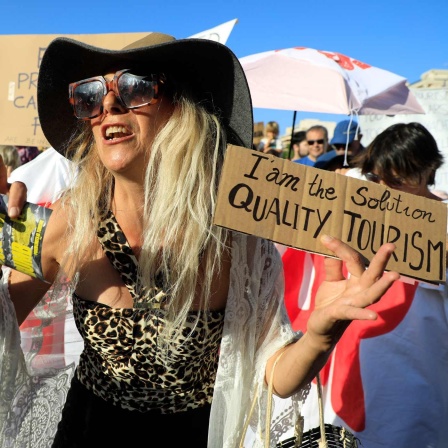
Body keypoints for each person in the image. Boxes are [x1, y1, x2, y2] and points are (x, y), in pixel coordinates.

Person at [0, 32, 399, 448]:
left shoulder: (234, 235)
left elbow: (276, 376)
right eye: (89, 95)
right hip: (86, 433)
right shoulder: (70, 220)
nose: (109, 105)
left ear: (183, 108)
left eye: (135, 86)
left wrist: (320, 334)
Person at [282, 121, 448, 448]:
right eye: (377, 178)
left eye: (399, 178)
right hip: (354, 365)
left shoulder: (442, 221)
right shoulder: (363, 214)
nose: (386, 188)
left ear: (428, 170)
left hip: (418, 368)